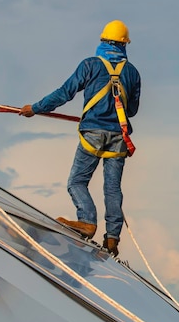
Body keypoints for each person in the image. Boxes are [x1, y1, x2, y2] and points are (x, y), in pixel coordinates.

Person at [19, 20, 141, 257]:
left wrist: (35, 108)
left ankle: (87, 221)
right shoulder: (133, 72)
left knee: (76, 182)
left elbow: (64, 93)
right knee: (112, 188)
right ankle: (112, 239)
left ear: (103, 41)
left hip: (92, 134)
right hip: (119, 137)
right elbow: (132, 110)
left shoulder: (90, 65)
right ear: (124, 44)